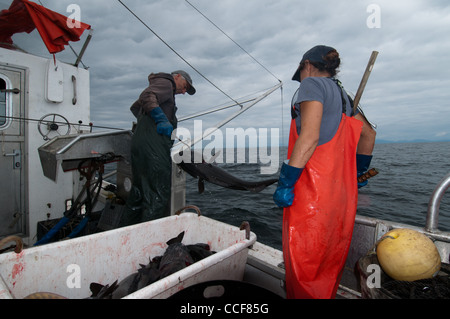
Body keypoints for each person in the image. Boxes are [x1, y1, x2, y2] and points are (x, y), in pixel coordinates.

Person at [273, 45, 376, 299]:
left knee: (304, 271)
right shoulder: (343, 96)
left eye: (301, 73)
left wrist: (286, 181)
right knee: (328, 267)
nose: (301, 80)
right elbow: (369, 135)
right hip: (342, 199)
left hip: (312, 200)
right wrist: (357, 172)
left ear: (307, 65)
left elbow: (308, 138)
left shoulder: (311, 85)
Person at [120, 70, 196, 226]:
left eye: (186, 91)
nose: (183, 92)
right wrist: (160, 119)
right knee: (157, 194)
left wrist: (147, 124)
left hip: (139, 146)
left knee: (138, 192)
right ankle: (149, 240)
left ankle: (125, 233)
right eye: (185, 87)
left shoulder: (161, 87)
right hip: (153, 149)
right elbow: (146, 96)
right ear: (177, 77)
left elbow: (135, 108)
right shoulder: (166, 82)